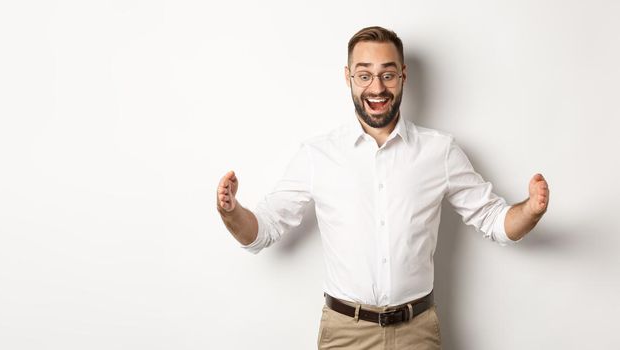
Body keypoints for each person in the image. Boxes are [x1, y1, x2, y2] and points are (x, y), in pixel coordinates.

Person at [214, 26, 549, 350]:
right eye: (364, 75)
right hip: (345, 334)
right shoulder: (317, 155)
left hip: (417, 333)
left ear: (403, 75)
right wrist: (232, 213)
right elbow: (262, 232)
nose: (377, 88)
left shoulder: (440, 152)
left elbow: (495, 221)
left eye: (387, 75)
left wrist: (530, 211)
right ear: (348, 78)